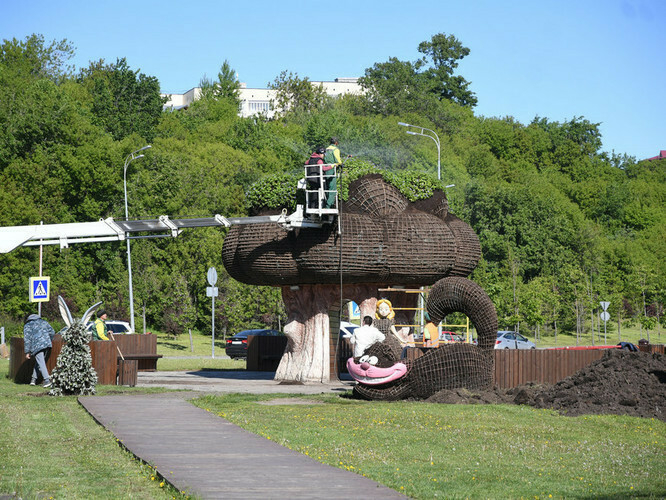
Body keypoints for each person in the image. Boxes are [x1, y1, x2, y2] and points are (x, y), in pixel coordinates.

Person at [23, 313, 55, 387]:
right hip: (47, 344)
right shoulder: (44, 322)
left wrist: (27, 352)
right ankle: (33, 379)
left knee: (41, 362)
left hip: (37, 345)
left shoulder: (28, 325)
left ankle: (47, 380)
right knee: (40, 362)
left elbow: (27, 339)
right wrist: (48, 340)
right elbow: (52, 332)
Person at [323, 137, 342, 209]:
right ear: (336, 142)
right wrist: (340, 164)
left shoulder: (326, 149)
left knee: (327, 187)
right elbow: (338, 161)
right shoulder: (335, 149)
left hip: (325, 169)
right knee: (332, 189)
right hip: (332, 169)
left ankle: (325, 204)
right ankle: (328, 206)